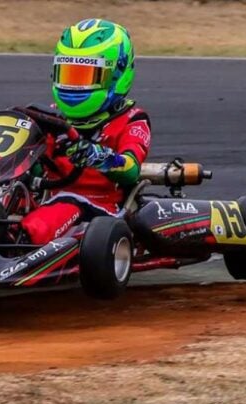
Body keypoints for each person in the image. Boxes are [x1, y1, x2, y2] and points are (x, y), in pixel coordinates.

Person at [20, 19, 152, 244]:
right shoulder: (50, 117)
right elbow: (35, 165)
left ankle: (21, 240)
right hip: (48, 200)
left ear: (117, 75)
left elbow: (131, 169)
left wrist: (97, 157)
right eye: (69, 75)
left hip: (100, 211)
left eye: (85, 77)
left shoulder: (132, 119)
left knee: (63, 208)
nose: (73, 87)